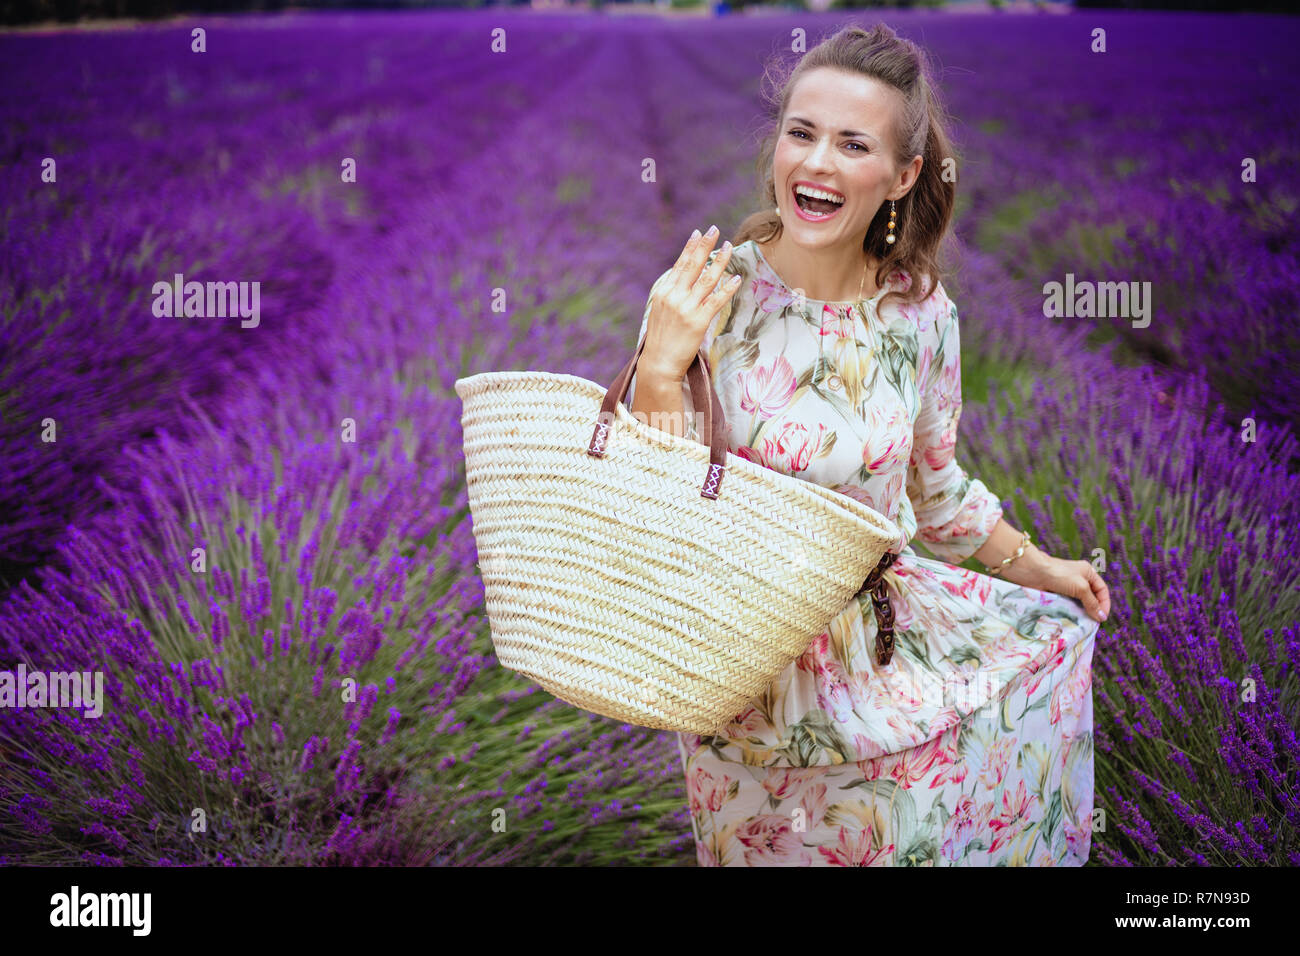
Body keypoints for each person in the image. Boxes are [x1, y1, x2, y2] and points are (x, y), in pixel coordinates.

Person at [627, 24, 1109, 866]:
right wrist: (661, 370)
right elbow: (655, 506)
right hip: (746, 680)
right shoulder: (709, 295)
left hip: (881, 664)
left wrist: (1041, 568)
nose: (816, 164)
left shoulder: (919, 316)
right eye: (801, 133)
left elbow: (937, 492)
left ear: (903, 175)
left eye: (854, 145)